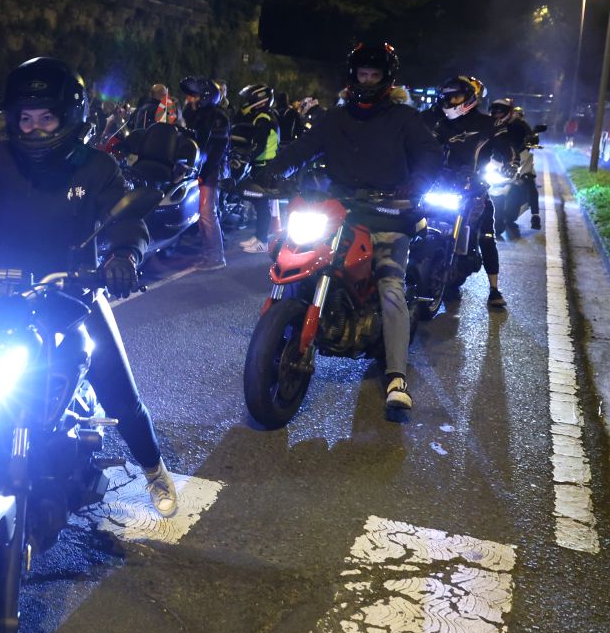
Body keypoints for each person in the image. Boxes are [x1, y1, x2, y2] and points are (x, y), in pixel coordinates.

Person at [0, 56, 179, 533]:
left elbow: (126, 219)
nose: (35, 129)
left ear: (69, 117)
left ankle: (153, 470)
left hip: (70, 295)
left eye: (46, 117)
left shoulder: (98, 167)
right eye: (25, 118)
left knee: (117, 389)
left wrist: (124, 255)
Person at [257, 42, 442, 414]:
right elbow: (304, 147)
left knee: (391, 287)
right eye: (363, 74)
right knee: (297, 257)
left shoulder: (404, 118)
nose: (368, 80)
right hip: (341, 211)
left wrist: (416, 184)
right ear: (353, 76)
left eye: (374, 75)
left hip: (389, 214)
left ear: (386, 79)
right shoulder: (335, 118)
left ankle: (396, 377)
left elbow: (429, 155)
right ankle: (281, 339)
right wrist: (273, 168)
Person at [428, 79, 513, 308]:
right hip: (443, 186)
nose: (449, 101)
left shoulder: (489, 124)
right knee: (417, 222)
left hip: (474, 187)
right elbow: (425, 148)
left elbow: (506, 149)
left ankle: (494, 288)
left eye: (454, 97)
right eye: (446, 97)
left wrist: (509, 163)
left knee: (486, 234)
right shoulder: (440, 123)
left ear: (469, 97)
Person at [181, 75, 230, 269]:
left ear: (205, 97)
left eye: (193, 96)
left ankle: (216, 257)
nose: (189, 99)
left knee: (208, 213)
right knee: (202, 214)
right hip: (200, 170)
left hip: (211, 172)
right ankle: (208, 253)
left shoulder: (218, 118)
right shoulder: (198, 115)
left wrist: (204, 171)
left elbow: (216, 149)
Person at [234, 84, 281, 253]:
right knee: (259, 203)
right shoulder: (266, 115)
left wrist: (248, 157)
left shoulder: (263, 118)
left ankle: (262, 241)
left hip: (264, 166)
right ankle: (258, 236)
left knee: (262, 204)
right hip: (264, 165)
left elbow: (259, 146)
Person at [488, 99, 541, 234]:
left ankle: (535, 215)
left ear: (508, 112)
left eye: (500, 111)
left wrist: (531, 140)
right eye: (494, 111)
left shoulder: (520, 124)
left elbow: (531, 137)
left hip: (520, 157)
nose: (497, 114)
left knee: (528, 179)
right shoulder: (488, 124)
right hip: (496, 160)